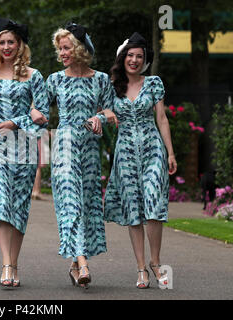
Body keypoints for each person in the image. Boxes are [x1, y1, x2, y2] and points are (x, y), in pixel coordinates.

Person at [0, 18, 49, 287]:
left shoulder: (34, 75)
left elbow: (45, 115)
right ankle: (6, 263)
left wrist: (18, 120)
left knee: (19, 205)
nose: (6, 47)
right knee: (2, 199)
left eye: (11, 42)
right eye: (2, 42)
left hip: (25, 145)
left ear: (20, 45)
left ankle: (14, 263)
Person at [45, 23, 117, 289]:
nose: (62, 53)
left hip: (89, 150)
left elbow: (111, 112)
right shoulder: (54, 79)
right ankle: (84, 263)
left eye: (67, 47)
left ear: (79, 49)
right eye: (60, 48)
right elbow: (38, 110)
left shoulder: (100, 79)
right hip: (64, 147)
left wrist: (99, 117)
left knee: (85, 206)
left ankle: (76, 264)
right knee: (70, 204)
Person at [104, 32, 177, 289]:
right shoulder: (112, 86)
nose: (134, 60)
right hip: (124, 153)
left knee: (154, 202)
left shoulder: (154, 83)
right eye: (130, 55)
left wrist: (170, 152)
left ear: (144, 61)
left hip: (152, 149)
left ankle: (156, 262)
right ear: (122, 58)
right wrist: (106, 112)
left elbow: (162, 119)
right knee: (133, 209)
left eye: (139, 57)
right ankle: (141, 268)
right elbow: (103, 110)